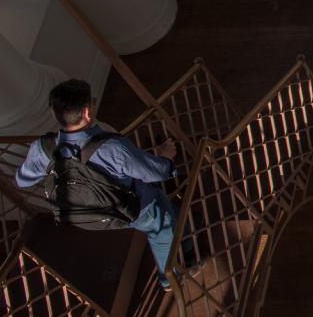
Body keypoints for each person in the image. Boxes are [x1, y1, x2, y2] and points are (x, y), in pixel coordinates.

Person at [16, 80, 188, 291]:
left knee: (174, 215)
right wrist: (165, 157)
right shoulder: (112, 147)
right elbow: (155, 173)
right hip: (137, 208)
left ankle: (185, 232)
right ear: (87, 113)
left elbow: (22, 180)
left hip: (89, 215)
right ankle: (169, 279)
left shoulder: (41, 148)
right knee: (163, 231)